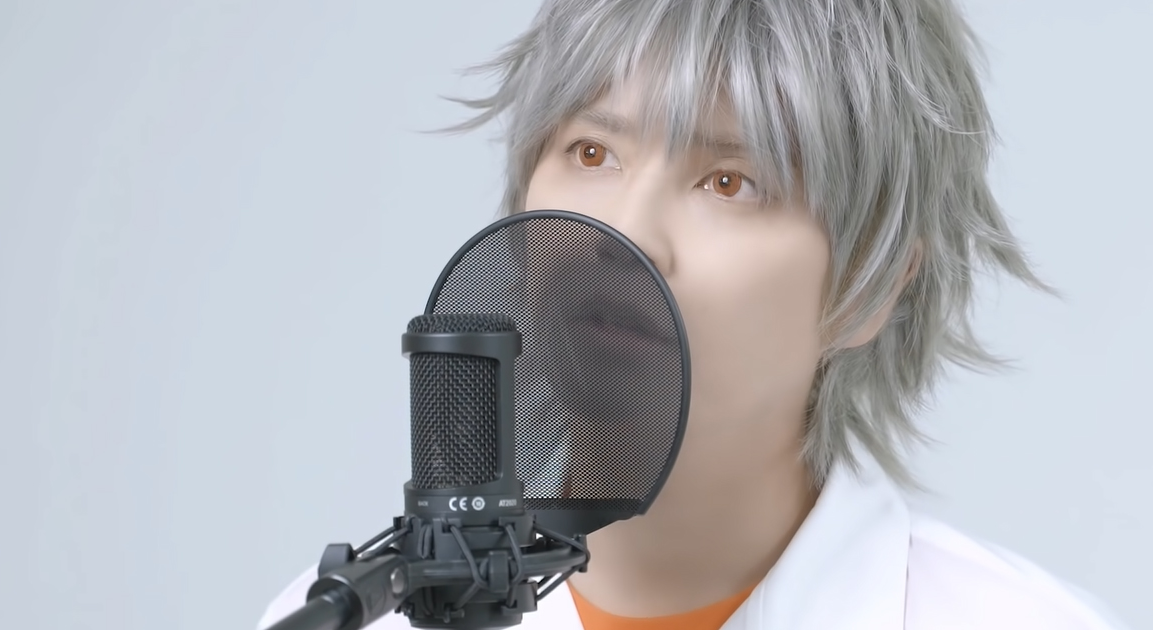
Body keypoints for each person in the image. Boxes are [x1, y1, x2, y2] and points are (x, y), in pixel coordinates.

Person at [258, 0, 1132, 628]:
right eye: (591, 152)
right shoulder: (342, 615)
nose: (625, 233)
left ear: (873, 285)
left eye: (729, 181)